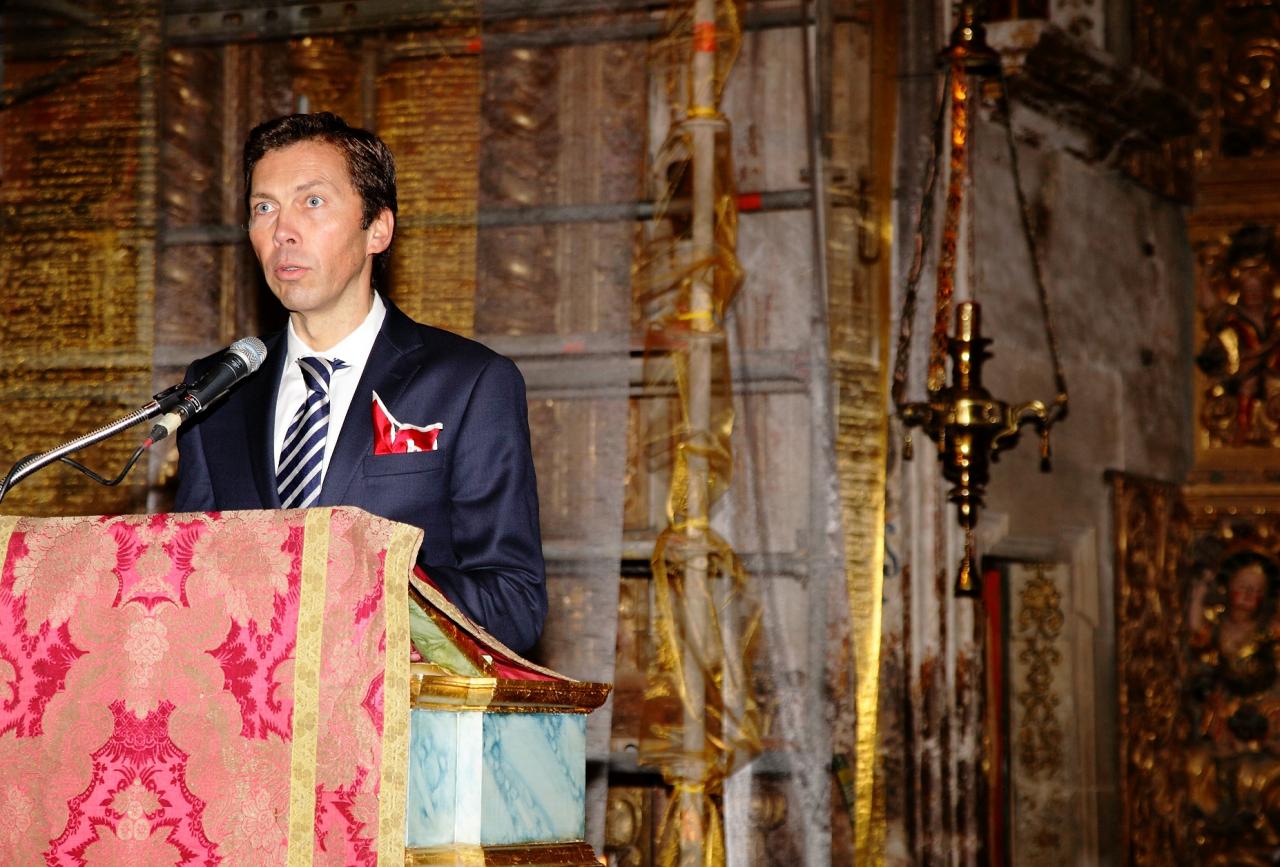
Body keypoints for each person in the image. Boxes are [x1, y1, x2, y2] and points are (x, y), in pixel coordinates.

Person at [173, 112, 547, 654]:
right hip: (250, 701)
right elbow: (189, 581)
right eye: (264, 207)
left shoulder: (469, 383)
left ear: (377, 229)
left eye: (312, 201)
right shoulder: (218, 390)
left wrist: (355, 589)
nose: (283, 231)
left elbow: (514, 603)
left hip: (397, 701)